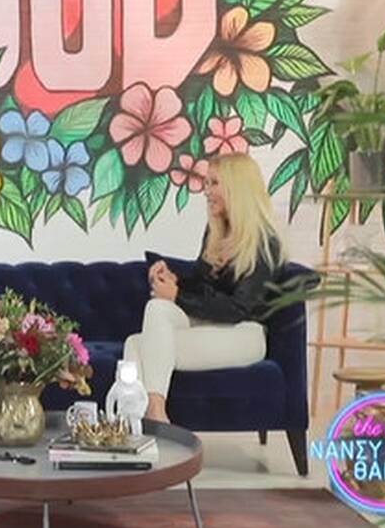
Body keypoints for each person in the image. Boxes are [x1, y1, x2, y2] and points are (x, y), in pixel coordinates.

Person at [122, 153, 285, 423]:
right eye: (206, 183)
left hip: (244, 335)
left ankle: (147, 418)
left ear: (237, 188)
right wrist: (173, 281)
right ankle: (150, 416)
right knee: (153, 314)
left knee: (141, 346)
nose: (206, 191)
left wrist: (177, 295)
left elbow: (238, 309)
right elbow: (202, 287)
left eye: (214, 183)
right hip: (212, 327)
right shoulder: (216, 234)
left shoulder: (264, 244)